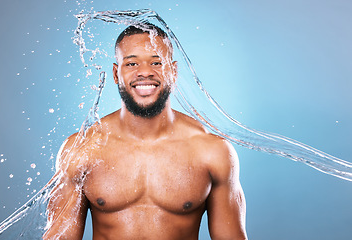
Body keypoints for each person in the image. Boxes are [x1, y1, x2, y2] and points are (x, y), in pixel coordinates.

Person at [43, 24, 247, 240]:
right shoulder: (83, 149)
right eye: (131, 63)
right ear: (115, 73)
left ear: (173, 72)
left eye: (157, 62)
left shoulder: (212, 152)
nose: (145, 72)